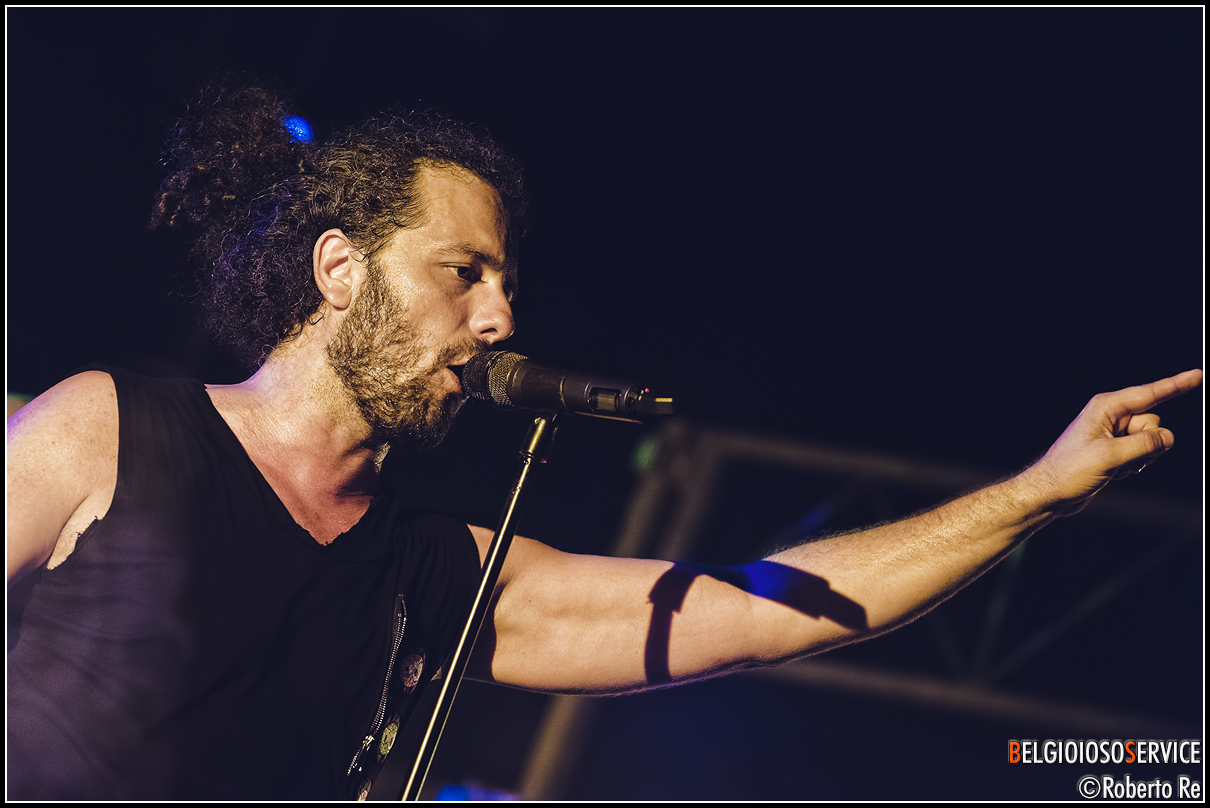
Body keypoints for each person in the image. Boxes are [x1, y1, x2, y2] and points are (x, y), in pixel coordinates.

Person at [6, 80, 1202, 800]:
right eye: (462, 272)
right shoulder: (109, 430)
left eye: (506, 285)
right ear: (339, 269)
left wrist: (1034, 493)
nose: (498, 318)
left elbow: (754, 612)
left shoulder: (433, 575)